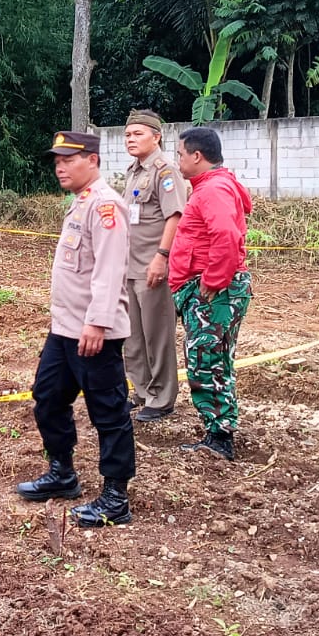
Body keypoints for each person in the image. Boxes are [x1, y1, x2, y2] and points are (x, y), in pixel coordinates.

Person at [15, 131, 136, 527]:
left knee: (108, 412)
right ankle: (62, 472)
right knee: (48, 397)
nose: (60, 168)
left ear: (93, 161)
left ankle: (115, 497)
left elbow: (109, 270)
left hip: (93, 331)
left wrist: (97, 322)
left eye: (68, 160)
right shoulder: (81, 202)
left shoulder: (105, 205)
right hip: (65, 328)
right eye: (57, 162)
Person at [169, 126, 254, 459]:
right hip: (212, 290)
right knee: (215, 358)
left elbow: (226, 236)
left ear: (196, 156)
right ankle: (219, 429)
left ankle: (219, 437)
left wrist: (214, 280)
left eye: (180, 154)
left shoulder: (213, 190)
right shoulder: (209, 187)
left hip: (215, 293)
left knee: (206, 361)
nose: (177, 160)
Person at [120, 110, 187, 422]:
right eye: (127, 135)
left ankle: (161, 398)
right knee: (132, 337)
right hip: (129, 268)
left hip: (153, 267)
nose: (130, 140)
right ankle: (142, 391)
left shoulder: (165, 171)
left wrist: (161, 256)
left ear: (156, 137)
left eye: (138, 134)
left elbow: (175, 216)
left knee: (156, 336)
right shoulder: (133, 172)